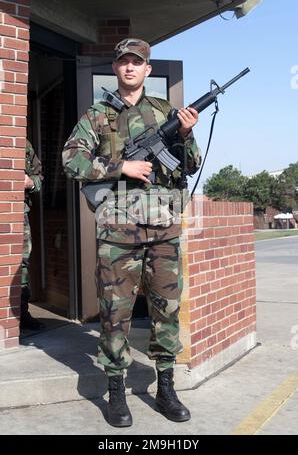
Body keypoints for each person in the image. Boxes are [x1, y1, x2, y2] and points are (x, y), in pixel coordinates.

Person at [62, 38, 201, 427]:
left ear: (147, 70)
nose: (129, 68)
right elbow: (71, 158)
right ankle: (117, 391)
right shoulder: (98, 114)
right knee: (115, 313)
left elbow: (189, 165)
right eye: (123, 62)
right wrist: (119, 167)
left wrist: (186, 134)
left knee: (166, 311)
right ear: (116, 68)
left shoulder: (165, 112)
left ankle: (167, 388)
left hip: (163, 228)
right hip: (118, 233)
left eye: (136, 63)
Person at [20, 139, 44, 330]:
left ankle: (20, 313)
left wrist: (30, 182)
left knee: (22, 264)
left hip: (19, 214)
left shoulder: (23, 144)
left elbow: (39, 177)